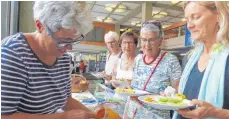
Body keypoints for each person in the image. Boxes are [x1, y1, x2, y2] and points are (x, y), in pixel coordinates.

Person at [1, 1, 95, 119]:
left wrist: (94, 115)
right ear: (40, 26)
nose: (69, 48)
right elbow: (4, 116)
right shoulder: (13, 54)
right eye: (63, 41)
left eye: (74, 40)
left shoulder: (64, 59)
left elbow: (66, 101)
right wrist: (63, 117)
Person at [173, 1, 229, 119]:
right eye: (187, 20)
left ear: (218, 15)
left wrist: (214, 112)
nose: (189, 25)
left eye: (196, 17)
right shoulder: (189, 59)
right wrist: (172, 97)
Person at [124, 20, 182, 119]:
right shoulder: (138, 59)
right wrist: (129, 90)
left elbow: (178, 93)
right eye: (144, 40)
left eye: (151, 40)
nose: (147, 45)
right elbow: (134, 86)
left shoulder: (171, 60)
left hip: (157, 116)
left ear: (160, 40)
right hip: (132, 113)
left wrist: (168, 96)